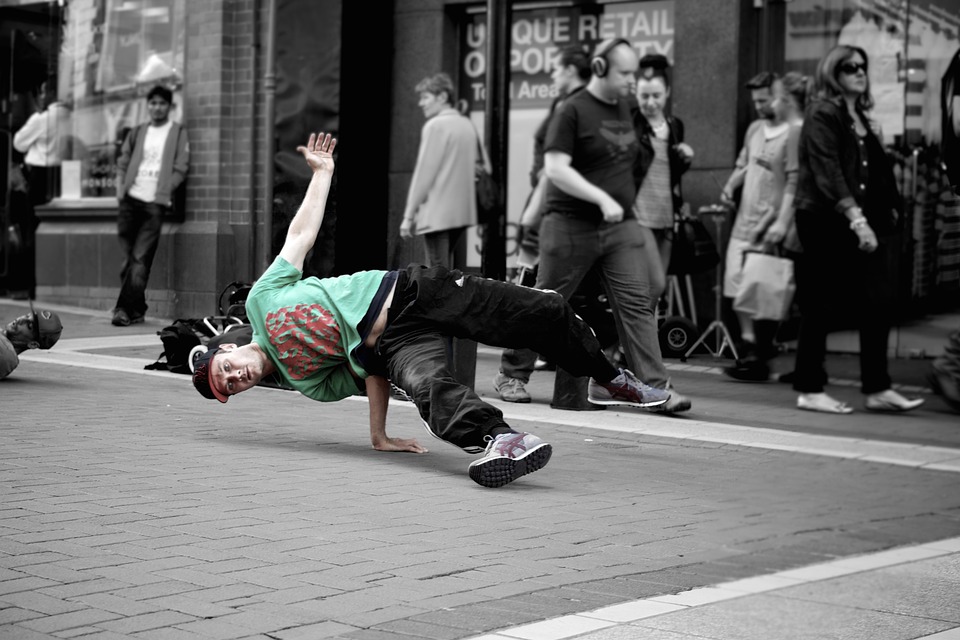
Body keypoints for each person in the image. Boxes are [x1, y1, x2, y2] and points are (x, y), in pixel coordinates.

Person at [191, 132, 668, 488]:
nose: (235, 377)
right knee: (426, 388)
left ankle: (610, 378)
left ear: (228, 348)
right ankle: (502, 441)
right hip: (394, 343)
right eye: (230, 386)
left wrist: (323, 175)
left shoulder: (261, 301)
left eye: (226, 369)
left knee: (542, 310)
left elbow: (299, 239)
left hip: (412, 291)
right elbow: (373, 376)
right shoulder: (307, 385)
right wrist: (379, 435)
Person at [494, 38, 690, 414]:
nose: (633, 81)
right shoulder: (572, 110)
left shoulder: (628, 109)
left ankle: (656, 388)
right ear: (600, 68)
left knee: (636, 303)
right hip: (570, 226)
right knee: (546, 305)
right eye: (625, 73)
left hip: (619, 230)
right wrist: (595, 199)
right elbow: (554, 169)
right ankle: (511, 373)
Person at [791, 44, 923, 414]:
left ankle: (877, 387)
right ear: (833, 72)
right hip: (824, 218)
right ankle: (809, 388)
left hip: (857, 220)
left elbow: (872, 172)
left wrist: (888, 209)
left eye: (863, 66)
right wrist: (857, 218)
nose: (859, 72)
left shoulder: (858, 115)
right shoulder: (823, 112)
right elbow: (827, 170)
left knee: (877, 302)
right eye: (850, 67)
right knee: (819, 304)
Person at [721, 72, 810, 382]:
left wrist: (780, 220)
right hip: (745, 220)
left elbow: (793, 181)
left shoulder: (794, 133)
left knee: (764, 286)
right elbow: (744, 163)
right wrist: (729, 186)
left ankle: (759, 352)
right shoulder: (755, 129)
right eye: (755, 101)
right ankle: (751, 346)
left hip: (771, 223)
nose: (760, 106)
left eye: (765, 99)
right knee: (736, 282)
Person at [112, 84, 190, 327]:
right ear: (148, 106)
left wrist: (166, 189)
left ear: (169, 106)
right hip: (129, 201)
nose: (157, 107)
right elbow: (123, 160)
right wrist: (120, 189)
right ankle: (138, 308)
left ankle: (123, 309)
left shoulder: (177, 133)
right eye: (153, 103)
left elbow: (181, 166)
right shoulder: (137, 131)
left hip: (154, 205)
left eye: (162, 103)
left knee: (139, 258)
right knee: (129, 260)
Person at [516, 45, 591, 282]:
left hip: (559, 202)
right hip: (552, 196)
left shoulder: (577, 105)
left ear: (570, 70)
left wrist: (543, 176)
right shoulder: (563, 103)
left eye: (556, 68)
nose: (552, 75)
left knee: (545, 282)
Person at [631, 53, 694, 323]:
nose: (650, 103)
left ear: (667, 92)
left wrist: (686, 159)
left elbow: (670, 172)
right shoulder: (630, 124)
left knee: (655, 289)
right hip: (637, 215)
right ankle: (629, 343)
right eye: (644, 96)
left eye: (656, 95)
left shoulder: (675, 126)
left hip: (666, 216)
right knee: (653, 284)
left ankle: (629, 345)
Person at [400, 73, 477, 268]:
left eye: (426, 97)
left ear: (442, 97)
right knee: (444, 270)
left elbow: (424, 175)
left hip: (438, 213)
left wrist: (409, 215)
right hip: (462, 212)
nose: (421, 103)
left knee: (437, 275)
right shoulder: (466, 124)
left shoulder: (435, 126)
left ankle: (443, 300)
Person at [11, 80, 70, 300]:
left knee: (32, 230)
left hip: (39, 176)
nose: (41, 96)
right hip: (62, 175)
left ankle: (31, 286)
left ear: (53, 92)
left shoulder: (43, 119)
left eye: (44, 91)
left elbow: (18, 143)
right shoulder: (71, 117)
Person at [0, 308, 63, 380]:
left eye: (29, 325)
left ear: (33, 344)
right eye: (27, 316)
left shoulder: (7, 356)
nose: (21, 319)